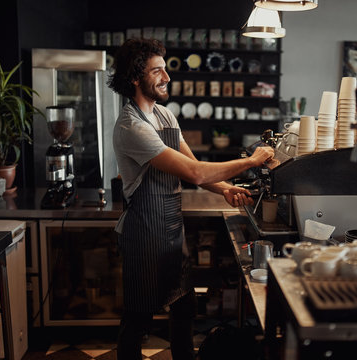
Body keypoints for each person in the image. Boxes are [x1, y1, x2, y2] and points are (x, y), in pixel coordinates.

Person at [108, 38, 274, 360]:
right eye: (157, 71)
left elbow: (193, 168)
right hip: (143, 233)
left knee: (184, 307)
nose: (167, 77)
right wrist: (251, 162)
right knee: (137, 319)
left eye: (165, 70)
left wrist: (225, 187)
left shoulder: (166, 117)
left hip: (171, 229)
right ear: (135, 77)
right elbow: (196, 173)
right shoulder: (131, 127)